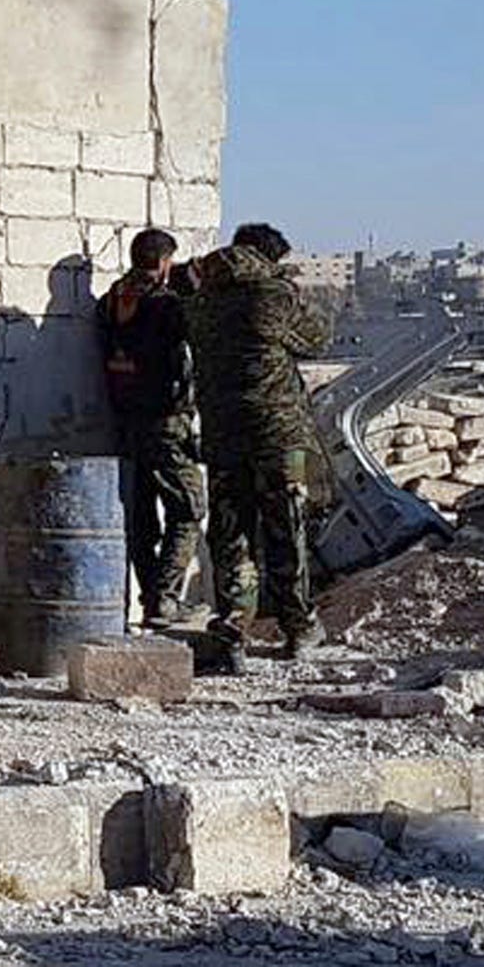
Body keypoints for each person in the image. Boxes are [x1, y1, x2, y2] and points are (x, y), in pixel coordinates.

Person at [182, 222, 332, 668]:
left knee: (231, 535)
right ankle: (300, 627)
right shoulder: (275, 296)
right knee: (291, 527)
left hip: (224, 435)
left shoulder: (199, 302)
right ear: (271, 258)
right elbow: (319, 339)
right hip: (287, 438)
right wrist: (288, 286)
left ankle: (232, 628)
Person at [97, 228, 206, 629]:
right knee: (189, 509)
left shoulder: (110, 303)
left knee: (142, 518)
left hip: (126, 423)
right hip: (166, 421)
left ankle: (151, 599)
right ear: (163, 262)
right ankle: (164, 598)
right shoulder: (166, 306)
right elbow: (196, 332)